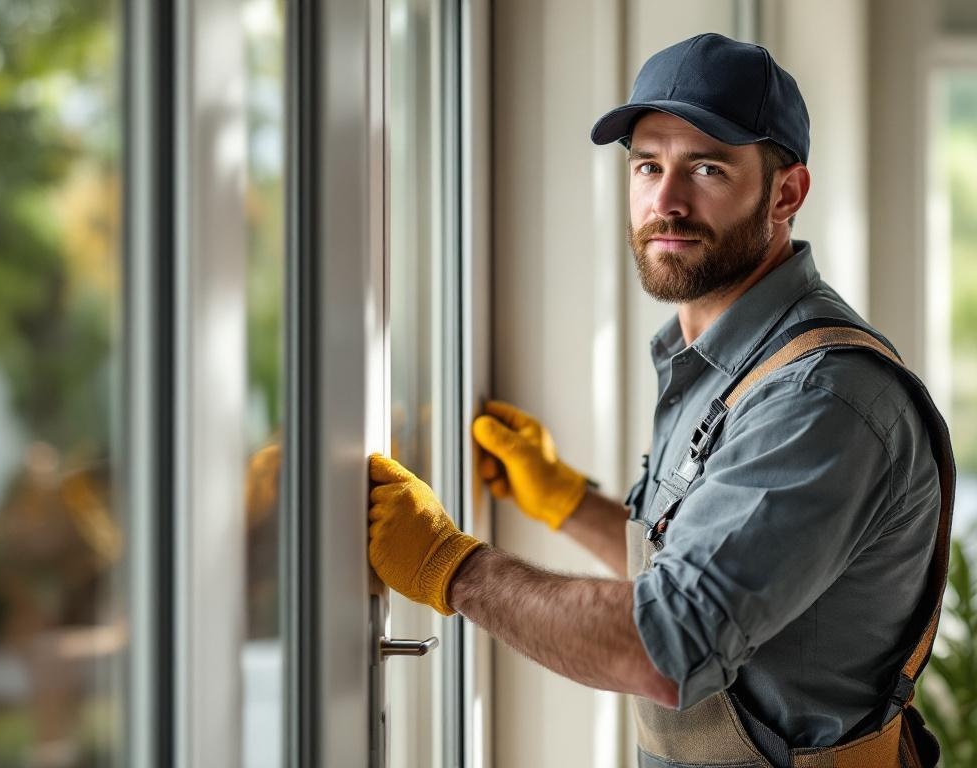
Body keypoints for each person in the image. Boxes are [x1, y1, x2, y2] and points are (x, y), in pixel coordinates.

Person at [367, 33, 952, 767]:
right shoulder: (719, 359)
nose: (666, 201)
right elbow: (717, 562)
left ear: (786, 192)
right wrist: (568, 503)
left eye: (707, 167)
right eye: (649, 165)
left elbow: (668, 644)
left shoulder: (820, 397)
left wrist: (451, 566)